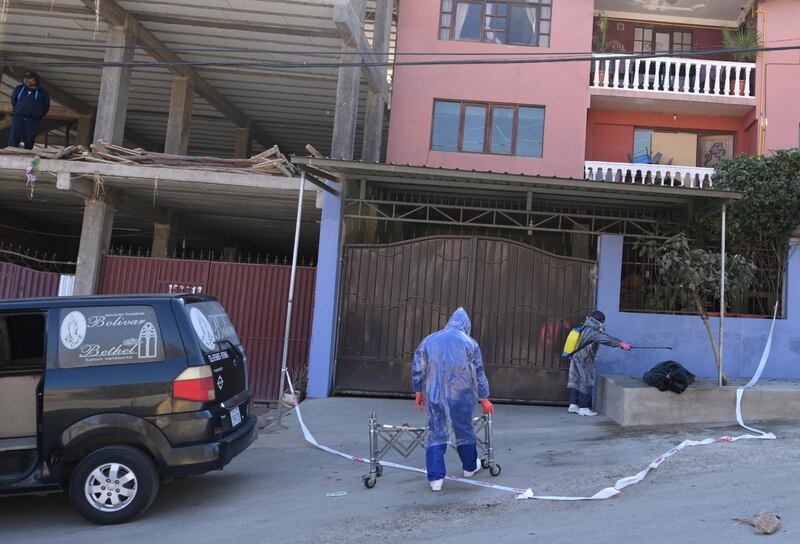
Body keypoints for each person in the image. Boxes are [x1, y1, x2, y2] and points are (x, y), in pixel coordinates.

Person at [412, 308, 494, 492]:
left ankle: (436, 480)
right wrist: (484, 399)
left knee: (436, 431)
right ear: (466, 326)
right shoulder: (469, 343)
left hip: (435, 394)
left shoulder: (429, 340)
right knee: (464, 429)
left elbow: (418, 367)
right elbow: (478, 373)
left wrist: (418, 391)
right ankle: (469, 467)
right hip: (461, 395)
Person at [567, 310, 630, 417]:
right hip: (584, 359)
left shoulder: (584, 326)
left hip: (576, 357)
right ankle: (584, 407)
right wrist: (621, 343)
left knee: (576, 380)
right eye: (603, 321)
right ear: (598, 321)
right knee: (586, 381)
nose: (603, 323)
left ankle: (573, 405)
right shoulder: (593, 331)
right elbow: (605, 339)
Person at [8, 71, 50, 150]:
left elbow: (46, 106)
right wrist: (19, 110)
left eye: (29, 78)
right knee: (14, 138)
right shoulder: (19, 89)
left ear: (35, 79)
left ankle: (27, 156)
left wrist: (38, 114)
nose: (26, 80)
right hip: (18, 118)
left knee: (29, 140)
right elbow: (14, 101)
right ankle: (11, 153)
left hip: (33, 120)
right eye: (25, 78)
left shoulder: (42, 92)